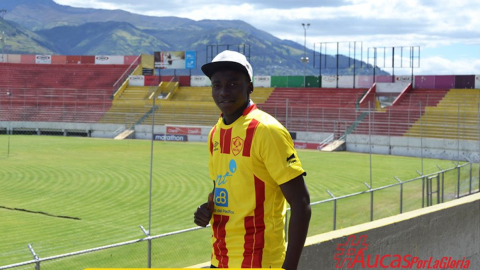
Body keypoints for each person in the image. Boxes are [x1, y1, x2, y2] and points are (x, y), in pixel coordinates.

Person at [194, 50, 311, 270]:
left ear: (250, 87)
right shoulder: (215, 133)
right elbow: (223, 186)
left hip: (259, 262)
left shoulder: (266, 130)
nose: (223, 92)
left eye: (232, 84)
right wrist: (208, 208)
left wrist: (290, 267)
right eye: (217, 85)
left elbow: (301, 202)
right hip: (220, 259)